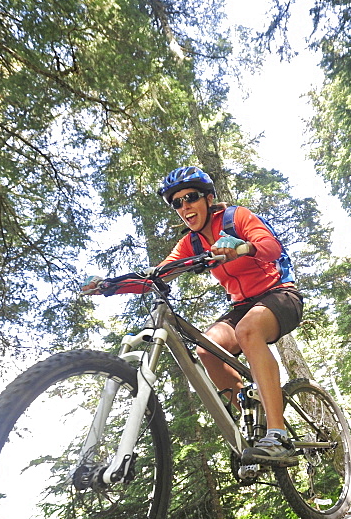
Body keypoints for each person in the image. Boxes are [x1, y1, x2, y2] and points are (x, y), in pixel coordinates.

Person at [85, 166, 304, 466]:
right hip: (242, 307)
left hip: (279, 293)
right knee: (206, 349)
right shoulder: (191, 243)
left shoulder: (236, 218)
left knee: (249, 330)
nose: (185, 206)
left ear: (209, 199)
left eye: (191, 197)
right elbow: (159, 275)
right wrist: (111, 287)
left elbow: (270, 246)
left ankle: (279, 436)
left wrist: (243, 247)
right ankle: (249, 420)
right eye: (177, 202)